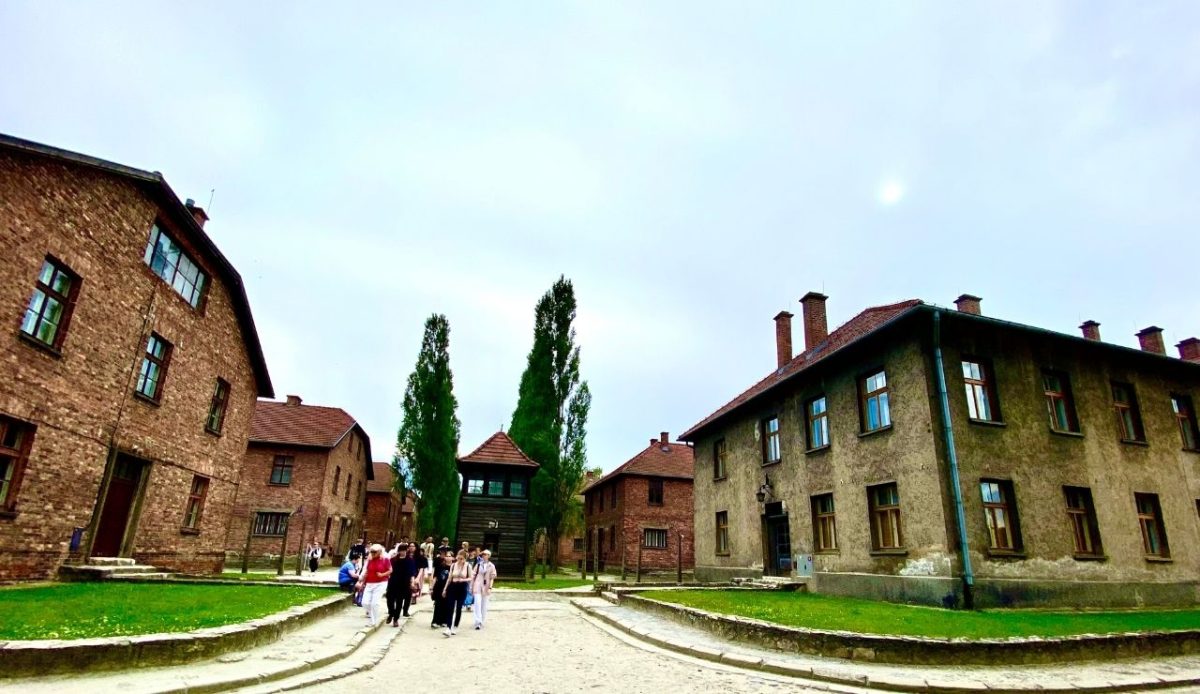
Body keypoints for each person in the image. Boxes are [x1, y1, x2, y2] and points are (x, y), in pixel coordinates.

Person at [358, 544, 392, 627]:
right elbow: (366, 570)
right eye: (371, 551)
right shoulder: (369, 560)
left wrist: (382, 574)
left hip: (381, 583)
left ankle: (373, 621)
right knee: (364, 602)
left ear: (380, 552)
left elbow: (390, 570)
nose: (372, 553)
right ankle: (373, 614)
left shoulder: (385, 559)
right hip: (370, 583)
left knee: (374, 603)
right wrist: (362, 579)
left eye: (374, 552)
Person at [442, 549, 474, 636]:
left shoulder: (468, 566)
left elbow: (471, 578)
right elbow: (449, 578)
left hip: (462, 586)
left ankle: (455, 626)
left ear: (465, 559)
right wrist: (445, 589)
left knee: (459, 607)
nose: (460, 560)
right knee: (450, 607)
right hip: (453, 586)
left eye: (462, 559)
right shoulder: (453, 565)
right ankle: (448, 627)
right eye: (458, 558)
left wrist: (463, 579)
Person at [385, 542, 411, 626]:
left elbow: (411, 572)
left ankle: (396, 619)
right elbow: (388, 569)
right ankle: (391, 613)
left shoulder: (409, 560)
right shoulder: (393, 559)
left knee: (399, 601)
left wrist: (412, 581)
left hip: (404, 583)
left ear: (406, 551)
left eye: (404, 550)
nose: (402, 552)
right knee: (390, 599)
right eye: (401, 550)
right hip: (393, 581)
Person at [471, 549, 497, 630]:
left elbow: (492, 578)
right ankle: (477, 621)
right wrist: (471, 587)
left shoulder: (491, 566)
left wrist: (490, 588)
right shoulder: (478, 565)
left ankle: (482, 620)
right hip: (477, 585)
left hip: (486, 586)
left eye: (485, 554)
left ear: (489, 556)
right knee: (477, 603)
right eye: (483, 554)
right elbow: (473, 576)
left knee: (484, 605)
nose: (484, 556)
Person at [429, 550, 452, 629]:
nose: (448, 558)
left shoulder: (453, 567)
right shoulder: (440, 566)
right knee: (438, 604)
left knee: (446, 604)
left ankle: (444, 621)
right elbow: (435, 577)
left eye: (450, 556)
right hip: (439, 587)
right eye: (447, 556)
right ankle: (435, 621)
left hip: (449, 587)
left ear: (453, 557)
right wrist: (431, 587)